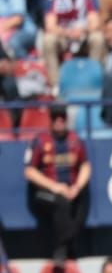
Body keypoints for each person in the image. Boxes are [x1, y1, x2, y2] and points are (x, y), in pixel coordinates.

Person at [23, 105, 90, 263]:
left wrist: (77, 186)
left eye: (62, 118)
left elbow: (85, 166)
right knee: (62, 203)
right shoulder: (40, 141)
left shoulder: (75, 140)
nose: (59, 122)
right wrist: (55, 187)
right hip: (45, 192)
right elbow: (29, 171)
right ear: (50, 120)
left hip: (71, 188)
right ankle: (62, 249)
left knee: (79, 206)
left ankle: (67, 248)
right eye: (55, 118)